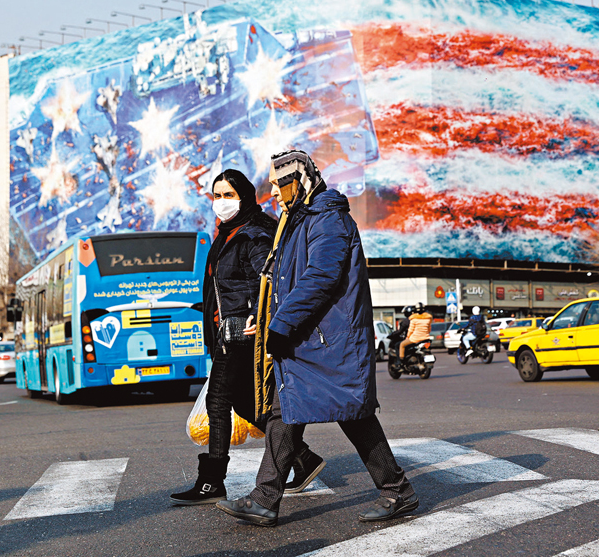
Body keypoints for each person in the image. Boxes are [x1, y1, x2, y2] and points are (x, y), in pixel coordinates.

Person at [216, 150, 417, 527]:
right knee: (285, 411)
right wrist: (269, 320)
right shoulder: (299, 219)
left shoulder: (327, 218)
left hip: (327, 340)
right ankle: (265, 498)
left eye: (278, 185)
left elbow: (320, 277)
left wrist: (278, 324)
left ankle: (398, 490)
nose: (273, 193)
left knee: (351, 414)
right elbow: (285, 283)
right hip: (308, 338)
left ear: (297, 181)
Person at [170, 169, 324, 506]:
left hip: (243, 333)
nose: (221, 203)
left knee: (218, 402)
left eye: (228, 195)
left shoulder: (253, 232)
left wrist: (260, 312)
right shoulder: (227, 234)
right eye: (216, 195)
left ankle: (212, 481)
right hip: (229, 331)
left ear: (244, 196)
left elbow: (265, 276)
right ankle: (302, 458)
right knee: (247, 404)